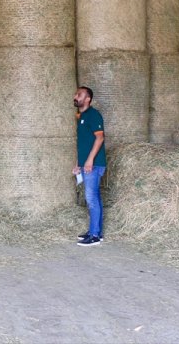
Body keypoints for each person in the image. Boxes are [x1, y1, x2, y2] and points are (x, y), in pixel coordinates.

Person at [73, 86, 105, 246]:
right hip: (87, 164)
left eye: (79, 95)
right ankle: (96, 231)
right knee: (95, 198)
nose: (75, 96)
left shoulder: (93, 115)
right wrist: (78, 164)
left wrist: (90, 160)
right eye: (76, 94)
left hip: (94, 164)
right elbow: (84, 144)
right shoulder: (82, 116)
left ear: (88, 99)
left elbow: (100, 138)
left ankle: (94, 236)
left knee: (91, 199)